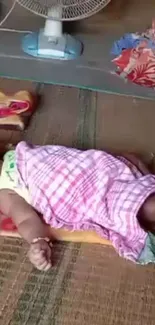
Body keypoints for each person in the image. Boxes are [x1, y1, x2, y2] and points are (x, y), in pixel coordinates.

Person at [0, 141, 155, 271]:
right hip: (86, 194)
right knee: (133, 204)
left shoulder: (18, 153)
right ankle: (141, 188)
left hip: (93, 168)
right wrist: (37, 240)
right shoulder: (4, 191)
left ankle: (140, 182)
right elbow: (25, 219)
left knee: (123, 174)